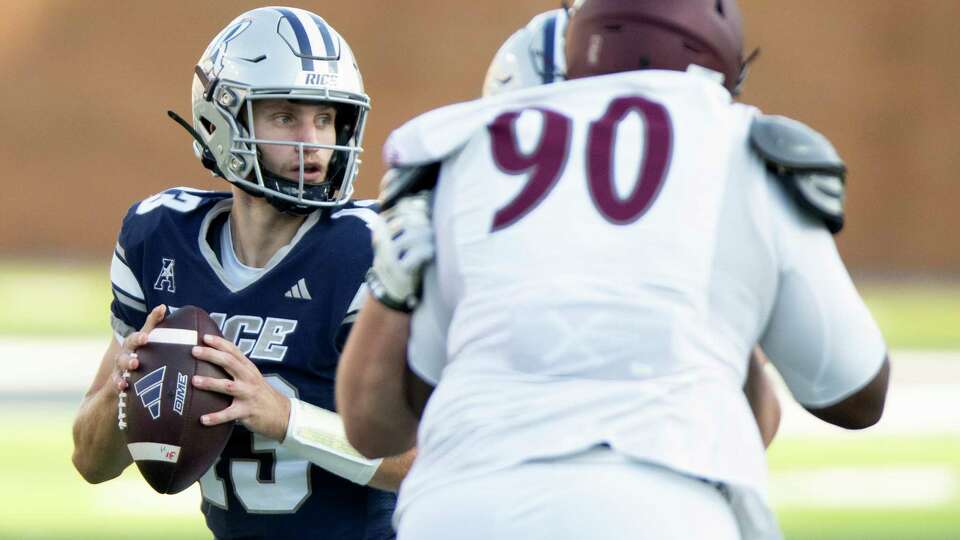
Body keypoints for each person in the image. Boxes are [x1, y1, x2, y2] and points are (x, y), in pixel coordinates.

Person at [337, 1, 891, 539]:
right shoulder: (740, 147)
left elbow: (372, 426)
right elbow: (855, 394)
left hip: (460, 506)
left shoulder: (456, 149)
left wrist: (395, 284)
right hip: (660, 504)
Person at [71, 7, 412, 540]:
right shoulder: (160, 238)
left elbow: (428, 457)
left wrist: (285, 418)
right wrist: (125, 394)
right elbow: (91, 462)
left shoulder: (366, 249)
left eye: (325, 118)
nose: (314, 143)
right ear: (220, 121)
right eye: (286, 117)